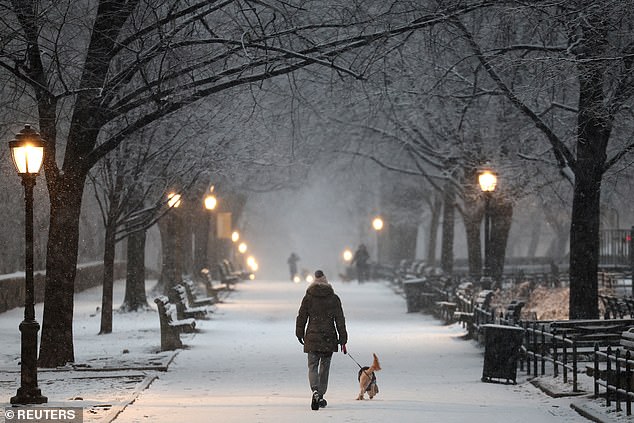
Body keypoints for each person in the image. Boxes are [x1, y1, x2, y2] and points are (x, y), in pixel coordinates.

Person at [295, 270, 348, 410]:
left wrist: (299, 333)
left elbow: (301, 317)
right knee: (325, 368)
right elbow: (340, 320)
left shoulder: (308, 297)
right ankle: (321, 394)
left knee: (312, 366)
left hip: (312, 337)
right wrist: (343, 337)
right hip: (328, 338)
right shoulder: (333, 298)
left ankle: (315, 391)